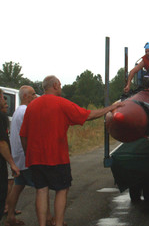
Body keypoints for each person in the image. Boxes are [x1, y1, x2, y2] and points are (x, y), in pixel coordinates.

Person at [19, 76, 124, 226]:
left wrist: (27, 154)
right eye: (60, 85)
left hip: (36, 158)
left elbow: (23, 135)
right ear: (55, 85)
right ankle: (59, 223)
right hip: (57, 158)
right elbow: (88, 115)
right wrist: (110, 108)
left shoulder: (32, 106)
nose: (60, 88)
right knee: (62, 190)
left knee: (41, 191)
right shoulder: (62, 104)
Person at [6, 86, 54, 226]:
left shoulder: (17, 112)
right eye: (33, 94)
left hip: (18, 156)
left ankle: (10, 216)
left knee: (18, 185)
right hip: (27, 157)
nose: (35, 97)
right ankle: (48, 218)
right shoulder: (26, 111)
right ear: (26, 96)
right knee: (42, 188)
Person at [0, 89, 20, 222]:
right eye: (2, 97)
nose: (5, 101)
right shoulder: (1, 117)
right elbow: (1, 143)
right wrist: (12, 163)